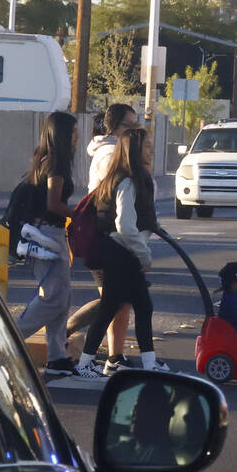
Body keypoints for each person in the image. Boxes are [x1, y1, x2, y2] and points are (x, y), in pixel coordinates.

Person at [75, 128, 168, 377]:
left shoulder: (125, 178)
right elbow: (125, 225)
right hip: (120, 253)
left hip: (121, 253)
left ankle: (148, 362)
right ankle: (85, 362)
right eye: (147, 146)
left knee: (140, 306)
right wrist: (143, 254)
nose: (151, 150)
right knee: (113, 307)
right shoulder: (127, 181)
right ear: (135, 151)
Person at [66, 103, 139, 366]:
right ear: (115, 127)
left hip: (112, 237)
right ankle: (101, 352)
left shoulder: (116, 152)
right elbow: (119, 199)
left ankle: (114, 354)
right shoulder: (111, 154)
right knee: (116, 298)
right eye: (129, 126)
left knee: (118, 299)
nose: (135, 131)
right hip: (106, 238)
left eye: (136, 125)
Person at [17, 111, 79, 379]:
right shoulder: (57, 164)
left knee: (62, 298)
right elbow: (54, 204)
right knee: (52, 298)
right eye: (75, 131)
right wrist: (80, 214)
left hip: (46, 233)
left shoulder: (43, 159)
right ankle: (9, 338)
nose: (78, 135)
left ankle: (57, 357)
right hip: (49, 235)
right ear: (64, 134)